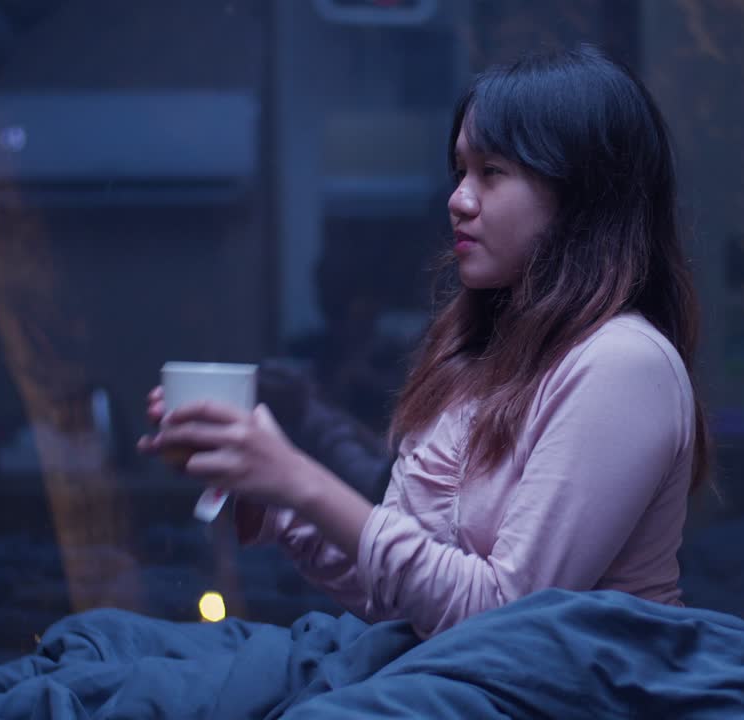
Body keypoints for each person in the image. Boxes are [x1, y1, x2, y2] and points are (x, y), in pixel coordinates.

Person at [138, 43, 710, 638]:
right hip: (460, 679)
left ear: (582, 196)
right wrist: (272, 497)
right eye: (460, 171)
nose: (458, 200)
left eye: (492, 173)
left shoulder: (624, 364)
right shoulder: (480, 354)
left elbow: (505, 618)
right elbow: (404, 596)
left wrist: (301, 481)